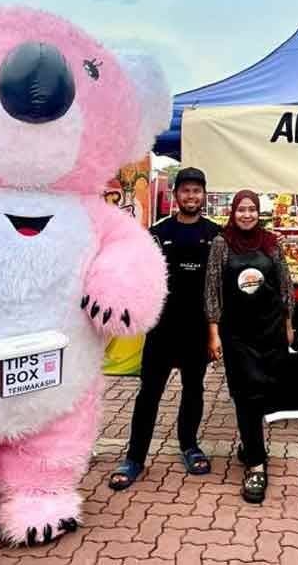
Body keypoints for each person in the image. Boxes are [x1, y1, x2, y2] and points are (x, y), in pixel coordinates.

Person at [109, 167, 222, 490]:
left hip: (196, 329)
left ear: (204, 195)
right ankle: (135, 457)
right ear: (176, 196)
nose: (191, 196)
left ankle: (189, 445)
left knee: (194, 390)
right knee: (149, 394)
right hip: (161, 329)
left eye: (196, 191)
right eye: (185, 190)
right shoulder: (157, 234)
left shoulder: (215, 235)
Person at [205, 190, 294, 504]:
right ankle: (256, 465)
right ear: (233, 213)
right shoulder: (222, 243)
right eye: (241, 210)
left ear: (259, 213)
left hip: (269, 329)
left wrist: (288, 324)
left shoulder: (271, 242)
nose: (246, 215)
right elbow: (212, 289)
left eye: (252, 209)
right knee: (246, 393)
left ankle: (249, 444)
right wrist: (213, 332)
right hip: (237, 333)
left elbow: (285, 285)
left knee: (262, 392)